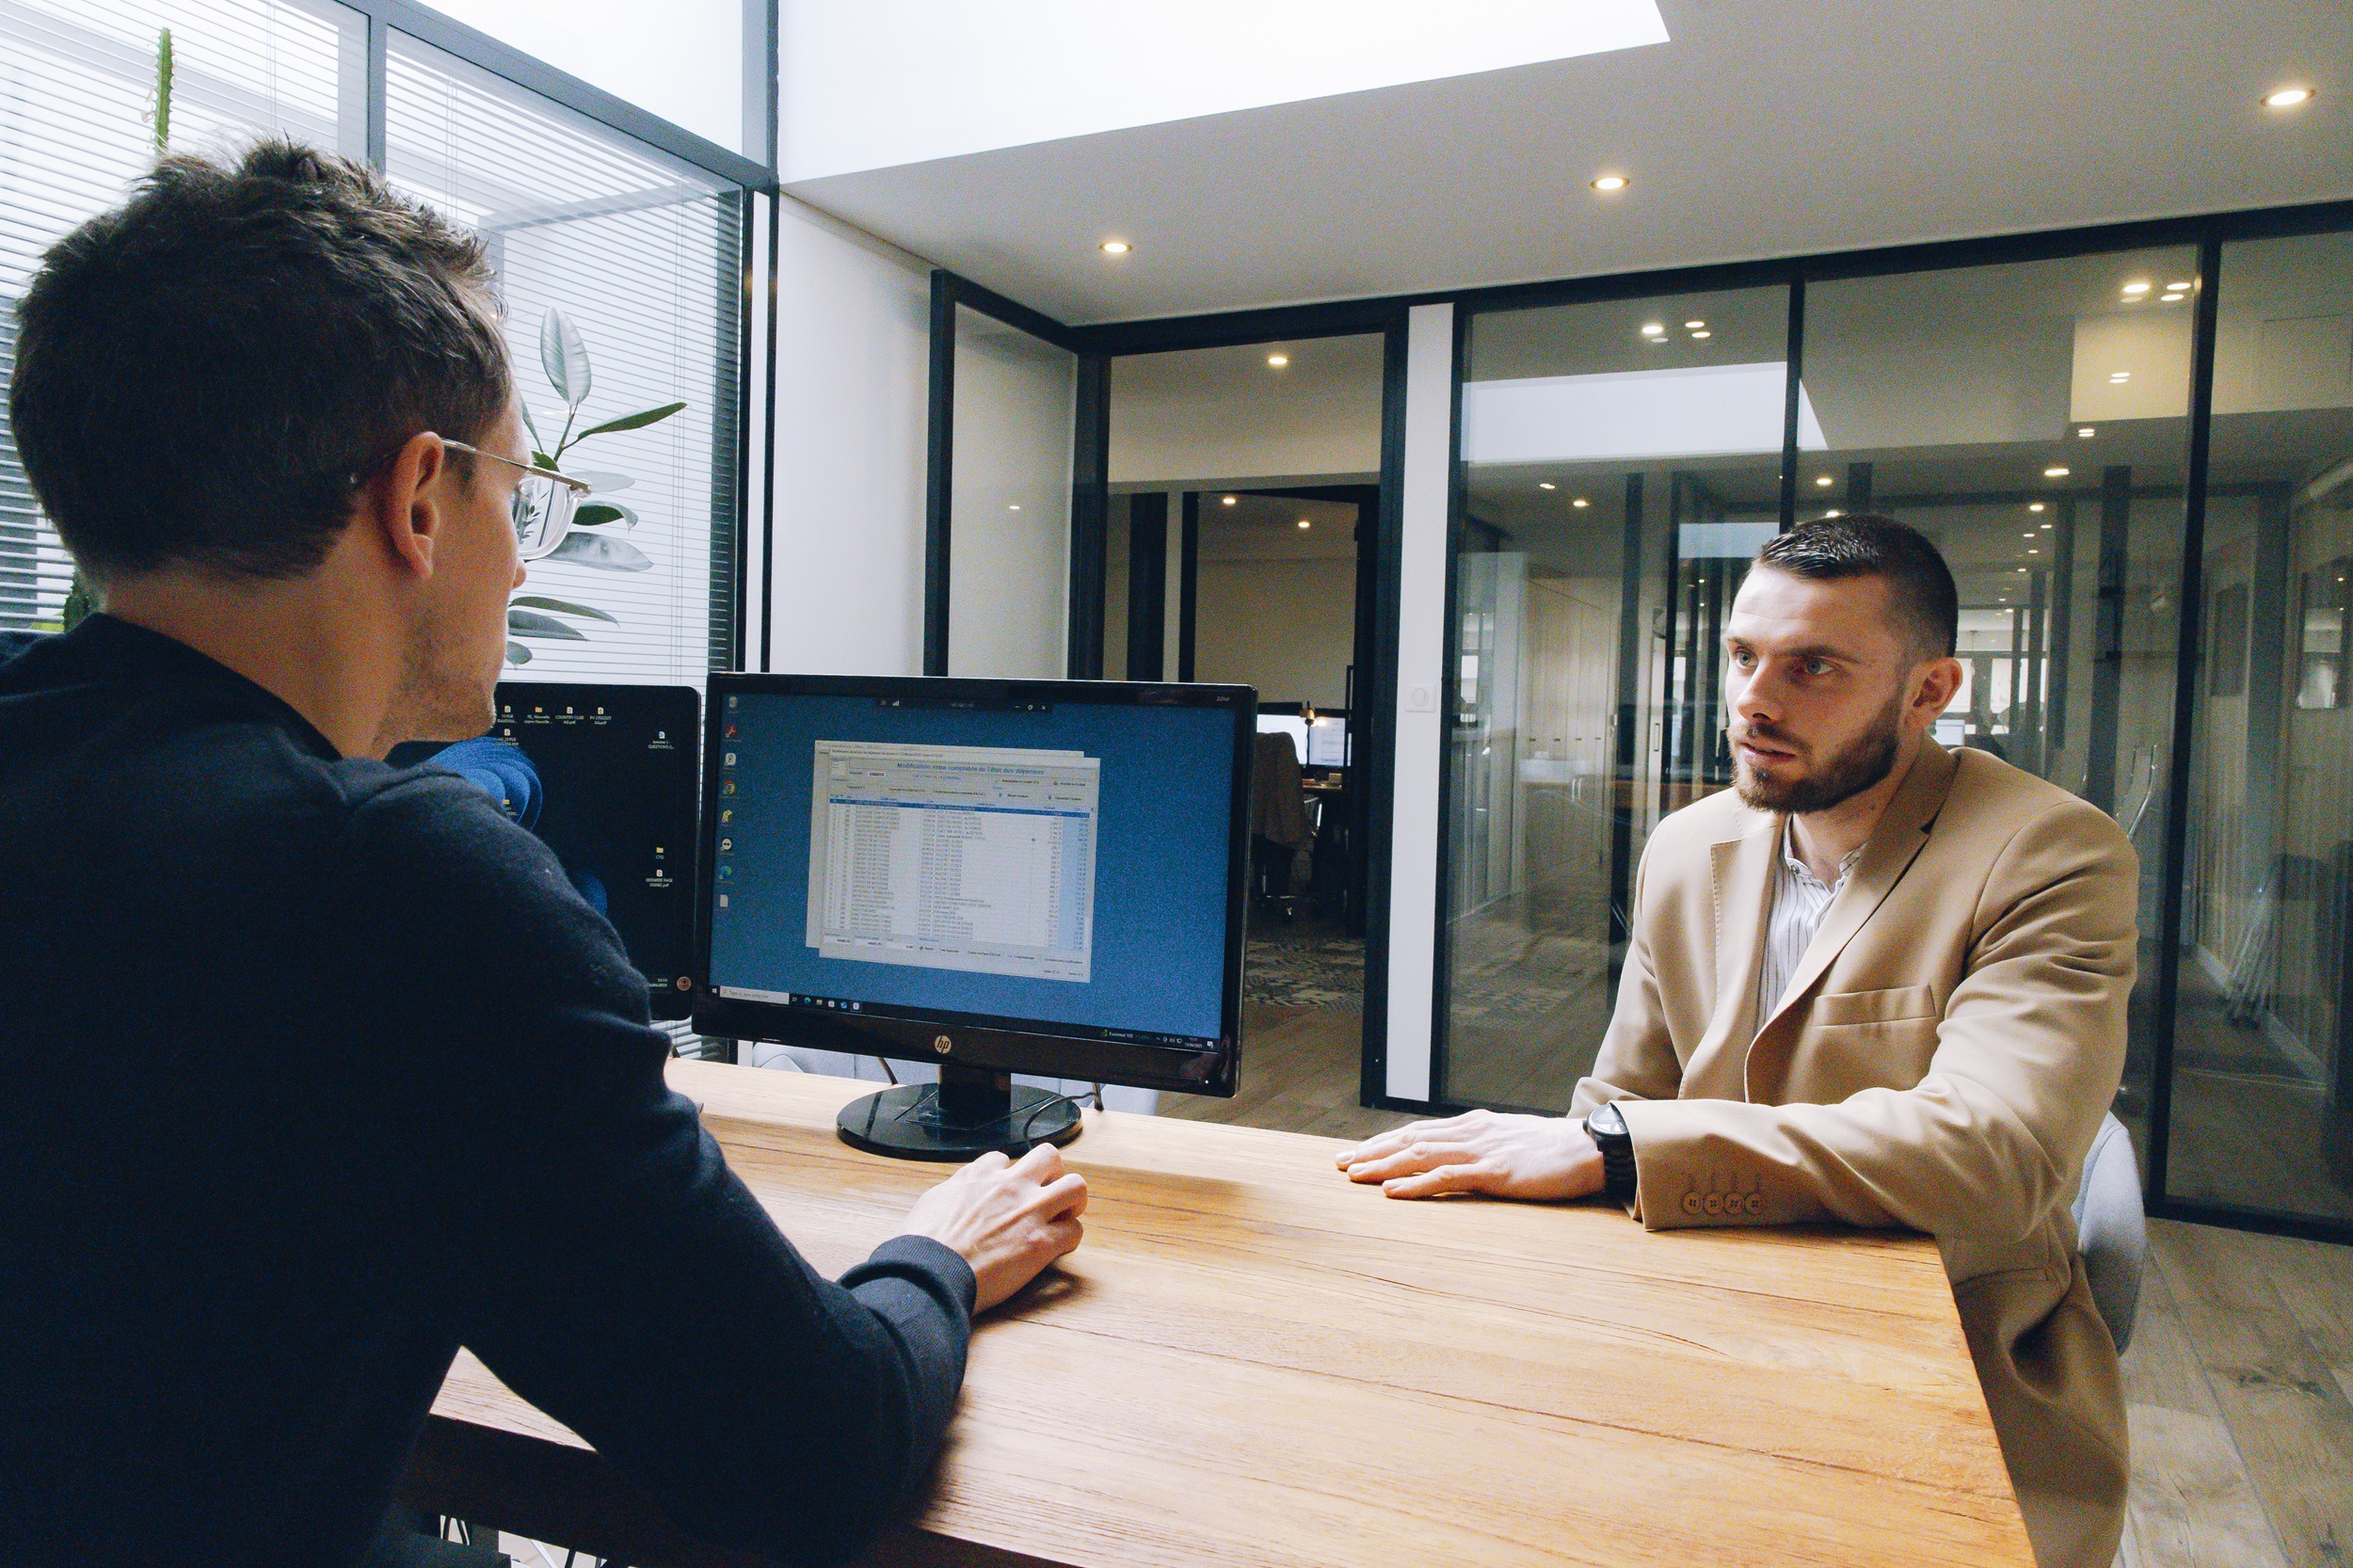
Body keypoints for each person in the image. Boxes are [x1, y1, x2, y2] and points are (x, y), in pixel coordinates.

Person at [0, 141, 1087, 1568]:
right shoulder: (387, 882)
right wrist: (936, 1249)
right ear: (419, 502)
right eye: (521, 494)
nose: (521, 561)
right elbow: (807, 1457)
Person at [1336, 517, 2133, 1568]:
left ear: (1930, 691)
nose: (1756, 699)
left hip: (1946, 1372)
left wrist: (1625, 1149)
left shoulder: (2048, 853)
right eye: (1743, 657)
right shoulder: (1688, 845)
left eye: (1814, 668)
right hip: (1697, 1325)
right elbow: (1617, 1098)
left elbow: (1992, 1157)